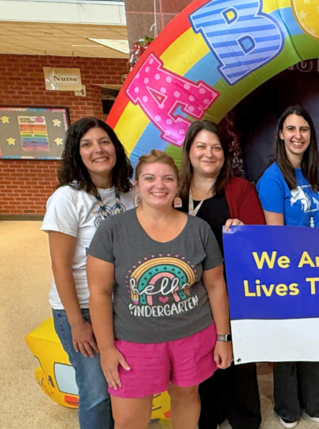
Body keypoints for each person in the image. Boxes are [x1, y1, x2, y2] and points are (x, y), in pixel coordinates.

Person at [87, 150, 233, 428]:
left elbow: (216, 285)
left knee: (187, 396)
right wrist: (106, 348)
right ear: (137, 185)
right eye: (150, 178)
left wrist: (223, 337)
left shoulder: (198, 230)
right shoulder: (113, 230)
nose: (159, 185)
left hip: (192, 335)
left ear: (177, 185)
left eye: (167, 178)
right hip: (134, 341)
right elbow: (99, 293)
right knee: (129, 418)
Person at [42, 117, 134, 428]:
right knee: (96, 391)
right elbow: (60, 264)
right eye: (87, 144)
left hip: (119, 302)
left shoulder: (130, 192)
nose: (98, 149)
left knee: (119, 381)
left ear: (116, 148)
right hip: (80, 306)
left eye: (104, 141)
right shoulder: (66, 199)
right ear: (76, 154)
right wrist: (75, 322)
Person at [176, 120, 266, 429]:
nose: (209, 154)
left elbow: (260, 241)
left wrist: (245, 232)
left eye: (216, 148)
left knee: (238, 361)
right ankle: (209, 415)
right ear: (189, 151)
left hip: (232, 292)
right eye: (201, 146)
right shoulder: (174, 191)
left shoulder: (240, 189)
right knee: (200, 359)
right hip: (188, 295)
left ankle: (244, 418)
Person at [256, 106, 319, 428]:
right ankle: (287, 407)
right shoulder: (272, 179)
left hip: (318, 274)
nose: (297, 135)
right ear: (281, 135)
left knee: (313, 339)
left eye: (303, 129)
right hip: (288, 273)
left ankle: (314, 402)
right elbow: (276, 236)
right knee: (288, 341)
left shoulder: (314, 175)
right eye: (291, 129)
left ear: (310, 135)